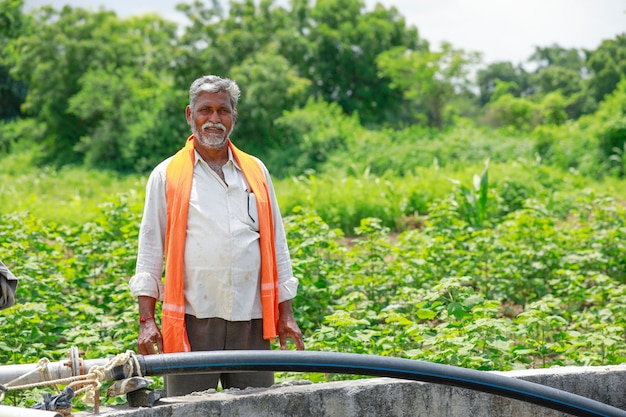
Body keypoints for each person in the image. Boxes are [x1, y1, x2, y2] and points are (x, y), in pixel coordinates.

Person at [129, 75, 305, 396]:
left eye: (223, 111)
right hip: (193, 320)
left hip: (252, 319)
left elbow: (277, 244)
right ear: (189, 115)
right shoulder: (166, 174)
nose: (214, 119)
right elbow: (150, 249)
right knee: (188, 409)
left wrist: (286, 313)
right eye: (205, 110)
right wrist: (146, 320)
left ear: (233, 117)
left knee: (257, 408)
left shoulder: (256, 171)